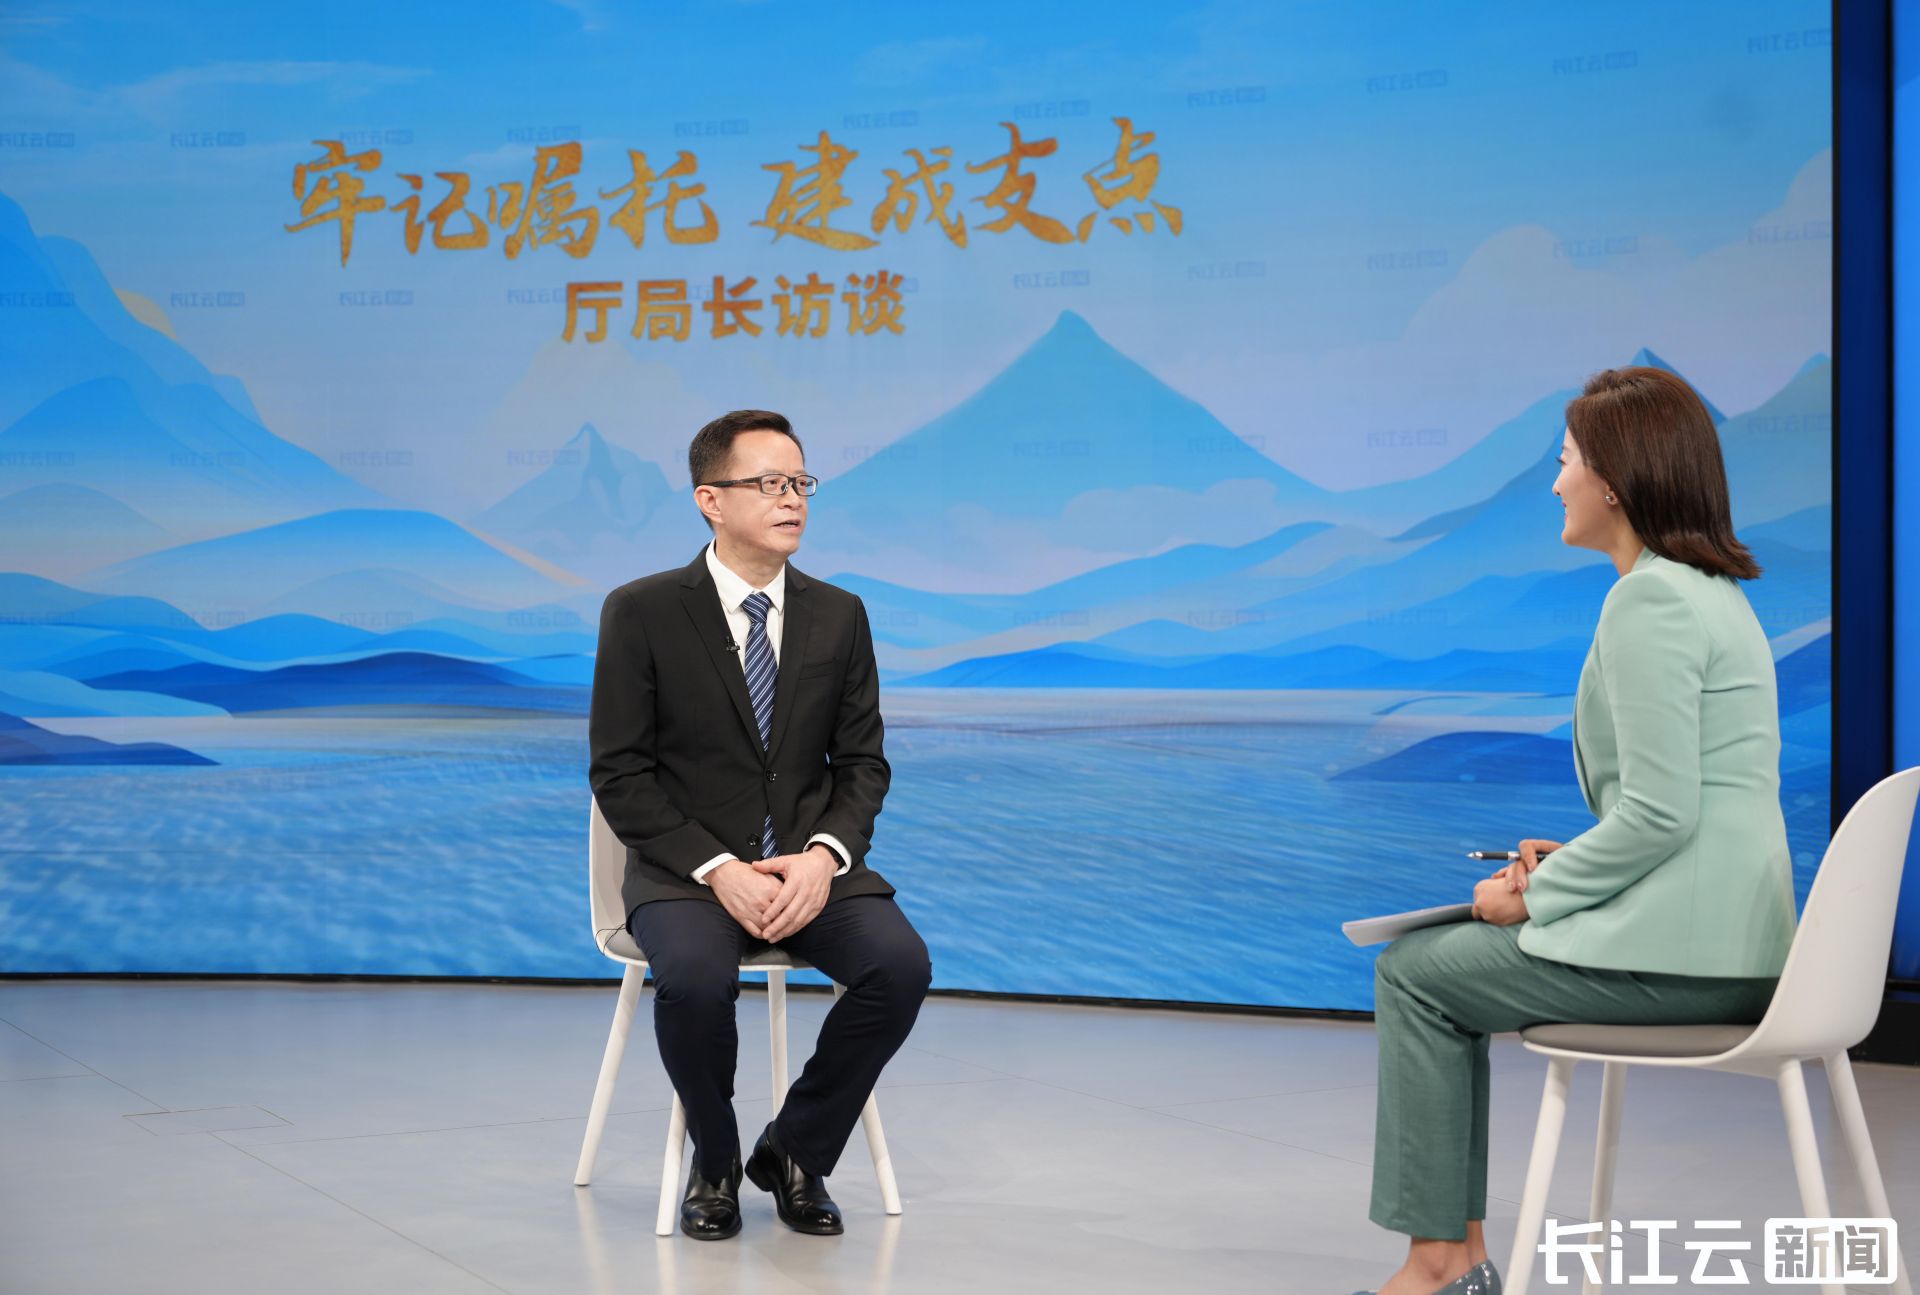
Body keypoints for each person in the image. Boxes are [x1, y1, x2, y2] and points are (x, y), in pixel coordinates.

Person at [1356, 367, 1798, 1295]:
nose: (1555, 483)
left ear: (1615, 480)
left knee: (1415, 973)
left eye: (1565, 461)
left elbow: (1660, 814)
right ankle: (1452, 1264)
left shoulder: (1650, 600)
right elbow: (1687, 807)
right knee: (1435, 960)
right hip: (1740, 944)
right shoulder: (1714, 594)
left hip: (1688, 961)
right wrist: (1570, 863)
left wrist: (1534, 898)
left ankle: (1440, 1266)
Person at [588, 409, 931, 1241]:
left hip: (809, 867)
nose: (793, 499)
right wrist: (719, 868)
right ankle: (715, 1158)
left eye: (801, 482)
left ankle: (796, 1150)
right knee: (695, 980)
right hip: (688, 873)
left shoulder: (840, 613)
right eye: (770, 483)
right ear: (710, 499)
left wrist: (822, 856)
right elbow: (620, 774)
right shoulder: (642, 611)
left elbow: (863, 764)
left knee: (899, 966)